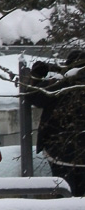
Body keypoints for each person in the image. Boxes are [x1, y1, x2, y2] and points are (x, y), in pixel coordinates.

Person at [29, 50, 85, 196]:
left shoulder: (61, 86)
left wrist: (36, 76)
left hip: (60, 152)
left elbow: (34, 96)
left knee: (64, 194)